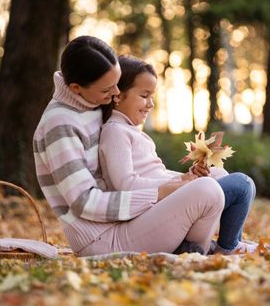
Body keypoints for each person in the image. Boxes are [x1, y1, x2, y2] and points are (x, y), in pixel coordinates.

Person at [33, 36, 224, 257]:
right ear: (76, 87)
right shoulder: (59, 125)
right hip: (103, 237)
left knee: (217, 177)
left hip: (132, 220)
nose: (116, 94)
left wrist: (182, 179)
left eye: (117, 82)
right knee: (207, 191)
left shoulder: (92, 103)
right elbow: (84, 202)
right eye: (107, 88)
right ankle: (196, 251)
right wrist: (161, 192)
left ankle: (196, 246)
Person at [99, 55, 256, 255]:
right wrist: (179, 184)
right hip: (150, 212)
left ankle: (230, 241)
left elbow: (157, 173)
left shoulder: (131, 131)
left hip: (164, 202)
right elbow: (125, 184)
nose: (151, 104)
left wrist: (188, 176)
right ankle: (228, 246)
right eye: (144, 95)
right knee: (241, 184)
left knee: (219, 174)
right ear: (118, 95)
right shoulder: (115, 131)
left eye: (152, 96)